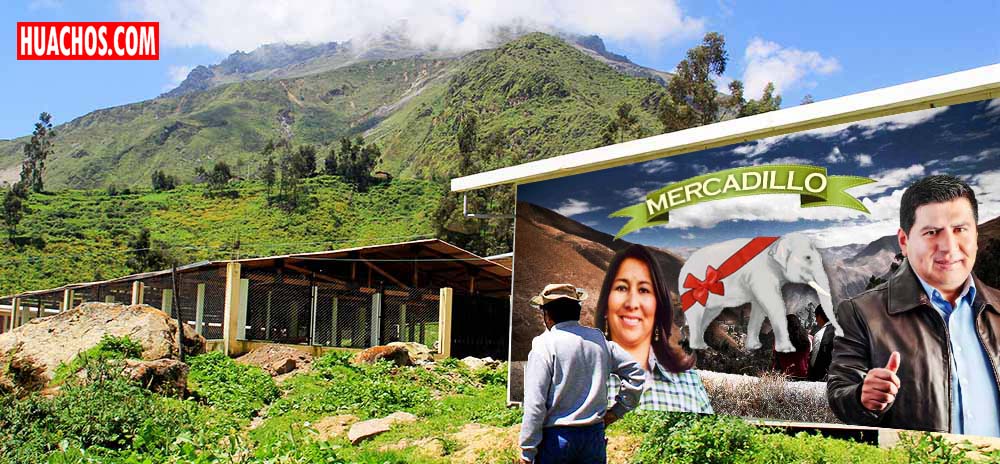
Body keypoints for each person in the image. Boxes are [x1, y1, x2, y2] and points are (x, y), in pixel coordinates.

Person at [827, 175, 1000, 436]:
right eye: (932, 232)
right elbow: (841, 391)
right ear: (905, 241)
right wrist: (863, 397)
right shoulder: (861, 312)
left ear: (975, 234)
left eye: (960, 229)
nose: (949, 247)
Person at [519, 283, 645, 464]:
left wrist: (527, 451)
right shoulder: (598, 340)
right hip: (593, 437)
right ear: (576, 310)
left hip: (556, 441)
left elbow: (535, 405)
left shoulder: (544, 345)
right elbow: (636, 372)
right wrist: (617, 411)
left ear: (547, 315)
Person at [595, 244, 714, 414]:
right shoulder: (582, 378)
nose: (632, 303)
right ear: (606, 306)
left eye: (644, 290)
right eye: (622, 288)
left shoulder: (689, 382)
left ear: (658, 309)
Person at [771, 314, 811, 379]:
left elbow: (775, 359)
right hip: (803, 375)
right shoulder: (807, 340)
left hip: (786, 376)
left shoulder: (779, 341)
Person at [808, 305, 835, 381]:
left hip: (825, 380)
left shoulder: (820, 335)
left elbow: (814, 362)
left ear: (819, 316)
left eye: (816, 317)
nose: (816, 321)